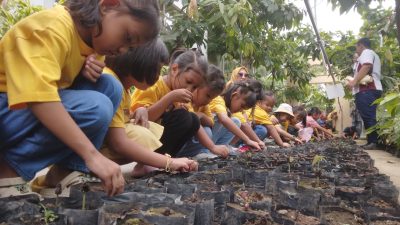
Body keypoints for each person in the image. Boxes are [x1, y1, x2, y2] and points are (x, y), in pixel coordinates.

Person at [0, 0, 160, 197]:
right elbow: (38, 98)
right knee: (96, 106)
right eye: (127, 37)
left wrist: (81, 74)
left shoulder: (93, 47)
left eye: (131, 48)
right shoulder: (52, 27)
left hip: (18, 115)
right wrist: (92, 156)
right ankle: (7, 173)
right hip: (7, 106)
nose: (122, 50)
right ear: (108, 5)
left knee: (110, 87)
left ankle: (61, 175)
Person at [100, 39, 198, 178]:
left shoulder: (123, 88)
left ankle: (151, 162)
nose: (158, 75)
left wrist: (138, 112)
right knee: (143, 134)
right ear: (140, 61)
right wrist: (169, 162)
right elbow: (118, 141)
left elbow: (120, 118)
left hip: (107, 142)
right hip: (98, 148)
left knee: (149, 128)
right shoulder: (112, 83)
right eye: (156, 69)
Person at [130, 49, 207, 157]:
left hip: (158, 139)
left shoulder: (183, 96)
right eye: (188, 82)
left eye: (194, 87)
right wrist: (169, 98)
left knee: (193, 119)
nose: (190, 89)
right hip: (139, 139)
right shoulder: (153, 86)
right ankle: (148, 161)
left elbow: (195, 123)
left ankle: (166, 158)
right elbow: (139, 120)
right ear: (174, 69)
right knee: (183, 116)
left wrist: (212, 147)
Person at [176, 65, 229, 158]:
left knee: (207, 129)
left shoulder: (204, 105)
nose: (209, 101)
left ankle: (195, 154)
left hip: (188, 141)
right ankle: (180, 156)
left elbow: (211, 122)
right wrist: (212, 147)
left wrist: (201, 115)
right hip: (176, 143)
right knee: (206, 130)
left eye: (212, 98)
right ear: (197, 87)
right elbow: (193, 120)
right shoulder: (185, 98)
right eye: (208, 96)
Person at [346, 37, 382, 150]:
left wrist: (354, 81)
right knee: (367, 115)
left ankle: (373, 141)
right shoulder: (368, 54)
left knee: (369, 115)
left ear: (361, 45)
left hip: (368, 89)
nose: (356, 50)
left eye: (357, 47)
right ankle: (371, 141)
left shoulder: (366, 52)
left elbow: (367, 66)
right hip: (366, 90)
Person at [208, 80, 263, 152]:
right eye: (242, 106)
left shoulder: (229, 109)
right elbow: (224, 119)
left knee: (236, 121)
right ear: (234, 96)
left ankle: (221, 147)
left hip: (211, 139)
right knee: (224, 120)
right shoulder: (219, 100)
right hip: (202, 139)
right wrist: (247, 140)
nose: (241, 110)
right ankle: (206, 150)